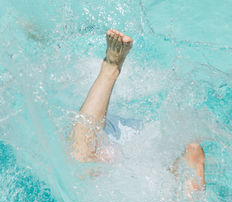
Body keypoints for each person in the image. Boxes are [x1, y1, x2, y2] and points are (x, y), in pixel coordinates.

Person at [71, 29, 205, 193]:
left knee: (80, 165)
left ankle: (110, 69)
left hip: (133, 152)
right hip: (140, 149)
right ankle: (110, 69)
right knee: (80, 165)